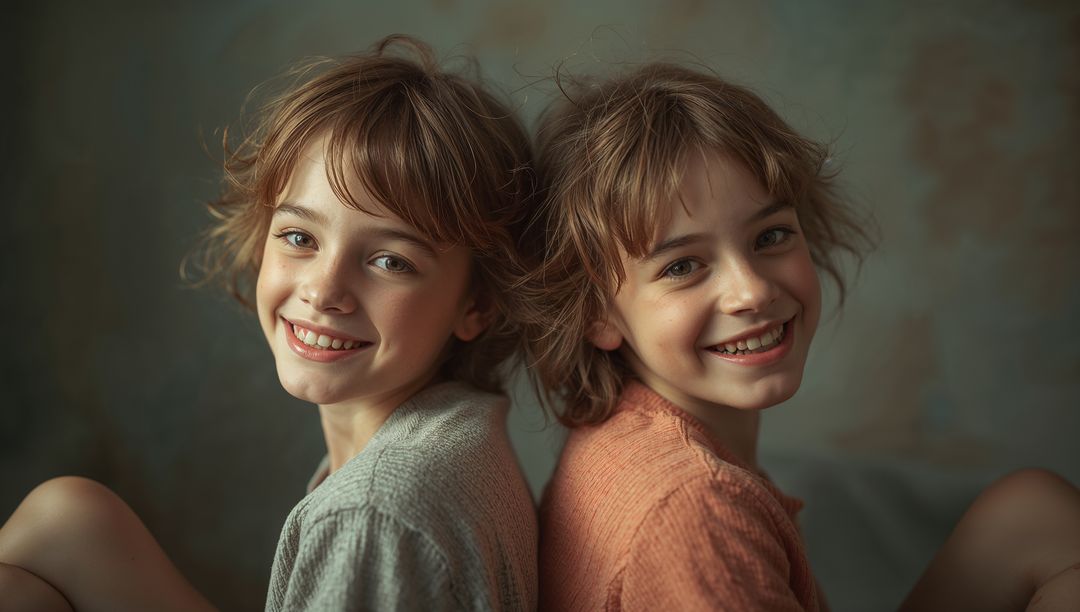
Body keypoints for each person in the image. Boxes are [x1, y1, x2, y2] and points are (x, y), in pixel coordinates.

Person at [0, 35, 538, 612]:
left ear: (478, 304)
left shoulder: (373, 515)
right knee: (70, 519)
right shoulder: (461, 421)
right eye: (300, 237)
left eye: (390, 261)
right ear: (263, 238)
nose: (323, 290)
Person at [519, 61, 1080, 611]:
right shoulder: (695, 508)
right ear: (597, 314)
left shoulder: (644, 431)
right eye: (683, 267)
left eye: (771, 236)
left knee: (1031, 512)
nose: (753, 292)